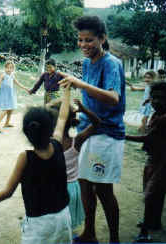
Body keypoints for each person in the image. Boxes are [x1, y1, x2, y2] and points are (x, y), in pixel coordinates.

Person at [0, 84, 73, 244]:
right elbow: (62, 117)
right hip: (63, 218)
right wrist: (67, 91)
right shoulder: (57, 144)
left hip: (39, 225)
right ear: (50, 129)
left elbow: (7, 192)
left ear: (26, 132)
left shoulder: (25, 158)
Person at [59, 15, 126, 243]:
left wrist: (80, 84)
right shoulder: (87, 63)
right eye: (80, 40)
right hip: (88, 131)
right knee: (85, 185)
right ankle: (90, 234)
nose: (83, 45)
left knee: (104, 191)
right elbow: (90, 95)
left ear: (102, 38)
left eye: (89, 40)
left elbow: (113, 98)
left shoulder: (111, 64)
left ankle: (114, 239)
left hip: (107, 134)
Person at [126, 82, 166, 242]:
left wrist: (123, 136)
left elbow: (147, 137)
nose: (156, 101)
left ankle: (145, 232)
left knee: (150, 196)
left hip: (162, 163)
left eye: (161, 98)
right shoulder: (157, 114)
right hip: (153, 160)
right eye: (154, 97)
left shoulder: (165, 119)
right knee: (156, 194)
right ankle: (155, 222)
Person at [47, 97, 101, 231]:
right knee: (67, 225)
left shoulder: (48, 143)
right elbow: (97, 123)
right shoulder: (77, 140)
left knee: (54, 224)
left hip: (54, 188)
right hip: (72, 188)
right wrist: (84, 110)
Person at [0, 60, 29, 133]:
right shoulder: (3, 75)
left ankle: (7, 123)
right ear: (4, 68)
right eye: (7, 68)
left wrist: (26, 89)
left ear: (13, 69)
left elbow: (18, 84)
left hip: (11, 94)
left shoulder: (12, 75)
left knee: (11, 108)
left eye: (11, 68)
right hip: (5, 94)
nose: (9, 69)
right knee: (5, 109)